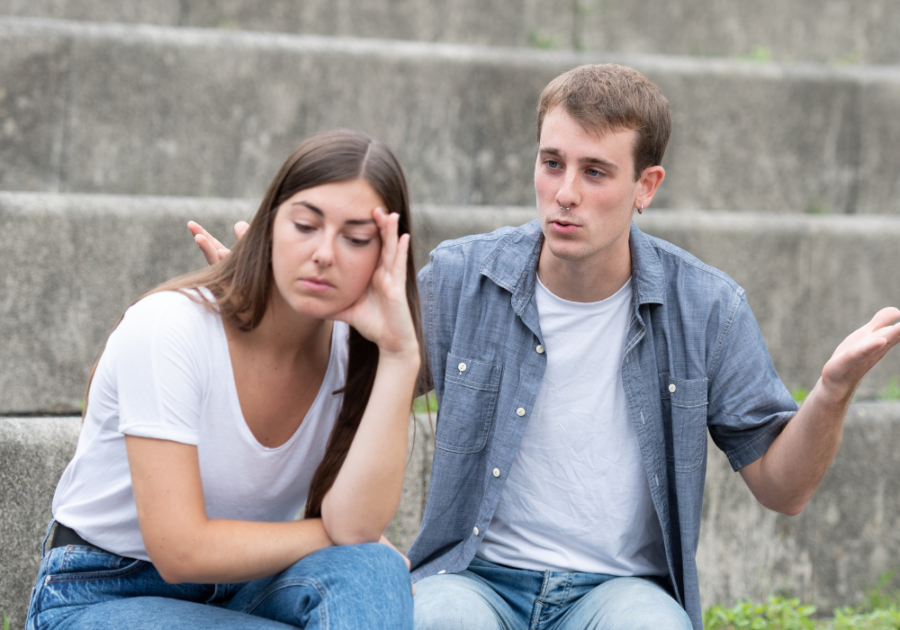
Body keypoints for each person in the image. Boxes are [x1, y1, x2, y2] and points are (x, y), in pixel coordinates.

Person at [189, 65, 900, 629]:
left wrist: (832, 391)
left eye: (594, 172)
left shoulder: (705, 305)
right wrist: (274, 307)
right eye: (551, 162)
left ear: (645, 186)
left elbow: (785, 489)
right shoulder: (467, 278)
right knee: (432, 621)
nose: (564, 193)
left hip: (620, 593)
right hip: (473, 579)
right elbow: (351, 381)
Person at [27, 129, 422, 630]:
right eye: (305, 225)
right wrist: (332, 534)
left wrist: (400, 353)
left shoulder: (356, 356)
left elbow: (359, 529)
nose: (325, 253)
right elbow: (180, 551)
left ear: (387, 254)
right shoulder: (170, 328)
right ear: (269, 225)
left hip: (242, 588)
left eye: (355, 238)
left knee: (375, 567)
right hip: (99, 594)